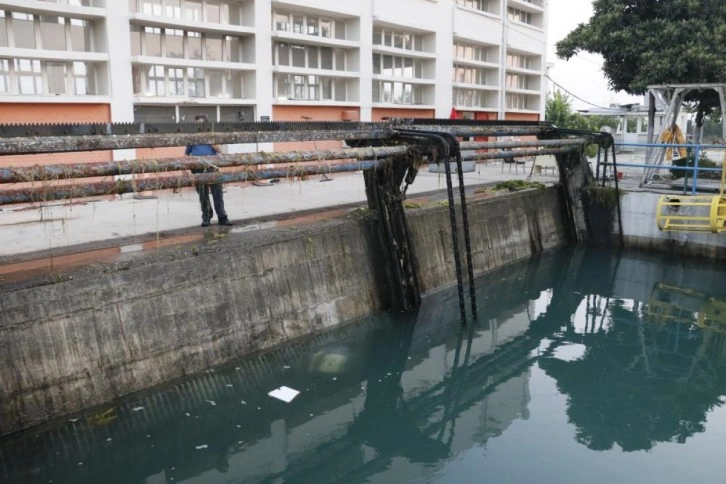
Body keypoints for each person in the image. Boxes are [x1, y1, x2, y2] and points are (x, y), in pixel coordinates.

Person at [185, 114, 233, 227]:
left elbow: (220, 149)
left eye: (201, 124)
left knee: (218, 194)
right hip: (197, 170)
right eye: (197, 125)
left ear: (206, 125)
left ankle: (222, 217)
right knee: (203, 195)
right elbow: (186, 154)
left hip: (212, 168)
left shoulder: (212, 136)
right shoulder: (192, 138)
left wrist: (209, 140)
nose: (199, 127)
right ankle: (206, 217)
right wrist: (186, 168)